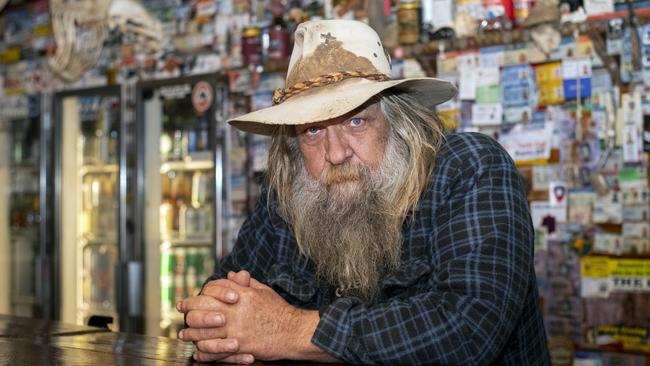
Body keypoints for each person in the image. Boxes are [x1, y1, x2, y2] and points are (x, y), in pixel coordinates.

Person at [177, 19, 550, 365]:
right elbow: (218, 299)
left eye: (356, 121)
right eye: (312, 131)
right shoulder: (288, 194)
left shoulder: (470, 167)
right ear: (292, 143)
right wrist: (222, 330)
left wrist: (288, 330)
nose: (336, 153)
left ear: (399, 125)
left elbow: (467, 329)